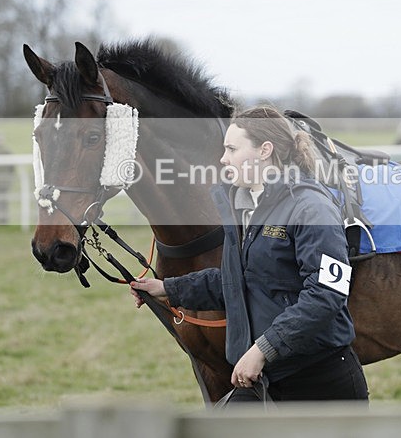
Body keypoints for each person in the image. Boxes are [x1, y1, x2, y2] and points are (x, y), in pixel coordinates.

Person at [130, 106, 368, 404]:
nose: (223, 158)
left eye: (232, 148)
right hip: (265, 378)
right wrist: (168, 288)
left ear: (264, 150)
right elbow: (240, 280)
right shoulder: (243, 209)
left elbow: (326, 296)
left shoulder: (311, 208)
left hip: (320, 383)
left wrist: (262, 349)